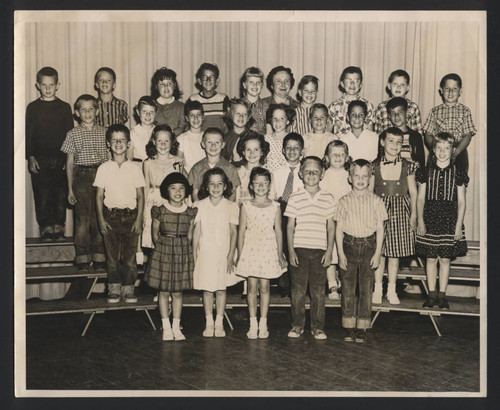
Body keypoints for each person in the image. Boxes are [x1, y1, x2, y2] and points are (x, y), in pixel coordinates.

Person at [334, 159, 388, 343]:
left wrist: (377, 253)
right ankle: (349, 326)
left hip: (369, 247)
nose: (360, 179)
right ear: (349, 178)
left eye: (365, 176)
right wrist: (340, 253)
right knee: (348, 288)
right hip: (348, 246)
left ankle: (363, 326)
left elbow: (381, 229)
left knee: (366, 288)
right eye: (356, 176)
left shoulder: (376, 201)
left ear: (370, 178)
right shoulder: (343, 201)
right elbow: (338, 229)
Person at [416, 132, 468, 310]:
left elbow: (461, 201)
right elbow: (420, 199)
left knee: (445, 259)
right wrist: (420, 221)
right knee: (430, 259)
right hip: (430, 218)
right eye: (439, 148)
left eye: (447, 148)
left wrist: (458, 226)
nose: (443, 152)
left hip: (449, 220)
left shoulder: (458, 173)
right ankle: (431, 295)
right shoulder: (425, 172)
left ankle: (442, 295)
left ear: (453, 150)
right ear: (433, 149)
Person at [285, 156, 335, 340]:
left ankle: (318, 327)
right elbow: (290, 226)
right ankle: (297, 326)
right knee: (297, 291)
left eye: (315, 171)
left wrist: (329, 251)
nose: (311, 174)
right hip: (299, 250)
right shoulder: (295, 196)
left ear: (322, 174)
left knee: (318, 291)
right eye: (307, 171)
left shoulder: (328, 198)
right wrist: (290, 251)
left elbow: (331, 227)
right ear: (300, 173)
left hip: (320, 251)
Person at [94, 124, 145, 303]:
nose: (118, 143)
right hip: (110, 217)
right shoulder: (104, 168)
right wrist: (101, 220)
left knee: (129, 257)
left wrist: (139, 219)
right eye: (114, 140)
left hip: (131, 217)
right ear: (108, 144)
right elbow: (99, 196)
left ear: (129, 143)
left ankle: (129, 288)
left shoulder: (135, 168)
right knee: (112, 256)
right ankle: (114, 287)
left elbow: (140, 196)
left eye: (122, 139)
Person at [144, 173, 197, 341]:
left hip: (182, 252)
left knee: (178, 293)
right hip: (164, 252)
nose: (177, 192)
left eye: (181, 188)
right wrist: (163, 251)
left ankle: (176, 326)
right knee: (164, 291)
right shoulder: (159, 210)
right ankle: (166, 326)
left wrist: (185, 252)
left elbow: (190, 236)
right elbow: (155, 234)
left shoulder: (190, 212)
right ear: (166, 190)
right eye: (173, 188)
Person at [236, 167, 287, 339]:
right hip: (250, 249)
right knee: (251, 288)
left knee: (265, 288)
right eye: (256, 183)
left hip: (268, 248)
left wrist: (280, 254)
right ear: (251, 185)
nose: (260, 186)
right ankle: (252, 323)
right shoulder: (246, 206)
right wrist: (240, 253)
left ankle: (263, 323)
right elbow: (241, 231)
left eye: (264, 183)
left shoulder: (275, 206)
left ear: (269, 185)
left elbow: (279, 231)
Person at [60, 94, 109, 272]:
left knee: (98, 218)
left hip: (101, 175)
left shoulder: (105, 132)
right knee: (82, 219)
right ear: (77, 113)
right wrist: (70, 190)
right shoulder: (72, 134)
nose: (87, 113)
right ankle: (82, 258)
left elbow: (109, 160)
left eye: (91, 109)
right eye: (83, 109)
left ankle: (99, 257)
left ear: (96, 111)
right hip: (80, 176)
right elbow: (69, 163)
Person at [26, 66, 74, 240]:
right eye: (44, 85)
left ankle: (59, 227)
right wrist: (30, 157)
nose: (47, 89)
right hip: (40, 159)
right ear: (38, 85)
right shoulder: (32, 108)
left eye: (51, 85)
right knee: (43, 194)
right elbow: (29, 135)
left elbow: (70, 134)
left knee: (60, 194)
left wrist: (68, 158)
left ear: (58, 85)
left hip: (61, 158)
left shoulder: (64, 107)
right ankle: (46, 227)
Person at [371, 128, 418, 305]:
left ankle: (391, 289)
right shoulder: (373, 165)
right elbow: (369, 194)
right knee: (379, 252)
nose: (395, 145)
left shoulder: (408, 165)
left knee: (394, 254)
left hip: (400, 212)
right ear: (382, 142)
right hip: (379, 211)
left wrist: (413, 215)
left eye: (399, 142)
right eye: (391, 141)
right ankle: (377, 289)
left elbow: (413, 193)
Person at [192, 168, 239, 337]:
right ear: (206, 186)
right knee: (207, 290)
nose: (216, 187)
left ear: (225, 186)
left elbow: (234, 233)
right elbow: (196, 233)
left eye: (220, 184)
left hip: (223, 253)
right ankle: (209, 322)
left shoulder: (231, 206)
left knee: (221, 289)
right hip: (205, 253)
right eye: (212, 184)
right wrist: (194, 256)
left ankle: (219, 323)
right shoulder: (199, 205)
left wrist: (230, 256)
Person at [270, 133, 305, 298]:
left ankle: (300, 285)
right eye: (288, 148)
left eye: (296, 148)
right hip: (282, 210)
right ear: (283, 151)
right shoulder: (276, 172)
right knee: (283, 245)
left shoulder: (305, 172)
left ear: (302, 151)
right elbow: (273, 196)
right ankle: (285, 284)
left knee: (298, 246)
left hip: (300, 211)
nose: (292, 151)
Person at [142, 125, 185, 249]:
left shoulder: (178, 161)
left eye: (166, 141)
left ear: (172, 143)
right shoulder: (148, 162)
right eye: (159, 141)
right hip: (154, 199)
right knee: (154, 235)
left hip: (171, 199)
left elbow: (181, 185)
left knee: (170, 231)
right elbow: (146, 186)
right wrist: (144, 208)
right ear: (154, 142)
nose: (163, 144)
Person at [422, 73, 476, 172]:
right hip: (438, 149)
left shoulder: (465, 111)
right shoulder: (434, 111)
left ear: (460, 91)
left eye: (454, 89)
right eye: (447, 88)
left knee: (459, 181)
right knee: (434, 178)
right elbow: (428, 134)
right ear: (441, 91)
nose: (450, 92)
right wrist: (435, 148)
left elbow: (467, 135)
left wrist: (456, 152)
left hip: (458, 150)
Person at [319, 140, 352, 300]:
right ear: (327, 157)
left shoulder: (350, 176)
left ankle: (345, 283)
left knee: (344, 251)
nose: (338, 157)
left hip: (347, 220)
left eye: (341, 154)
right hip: (329, 220)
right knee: (330, 251)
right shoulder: (323, 175)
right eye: (334, 154)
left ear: (347, 157)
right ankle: (332, 283)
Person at [188, 127, 241, 202]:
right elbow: (194, 194)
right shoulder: (197, 168)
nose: (213, 146)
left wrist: (227, 208)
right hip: (203, 209)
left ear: (223, 145)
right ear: (203, 144)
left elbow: (233, 193)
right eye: (209, 142)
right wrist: (199, 208)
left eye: (217, 142)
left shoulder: (230, 168)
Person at [328, 66, 375, 136]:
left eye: (356, 81)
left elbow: (370, 132)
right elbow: (328, 132)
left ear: (361, 85)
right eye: (348, 80)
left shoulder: (368, 105)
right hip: (340, 145)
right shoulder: (334, 106)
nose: (352, 83)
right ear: (342, 84)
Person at [374, 69, 423, 135]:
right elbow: (377, 133)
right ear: (389, 86)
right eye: (395, 84)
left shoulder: (413, 107)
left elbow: (418, 133)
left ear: (408, 87)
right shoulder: (381, 107)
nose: (398, 87)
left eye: (402, 85)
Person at [187, 63, 230, 133]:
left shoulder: (223, 98)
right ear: (199, 81)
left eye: (212, 77)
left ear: (217, 81)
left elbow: (227, 124)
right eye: (205, 78)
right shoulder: (193, 99)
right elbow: (188, 124)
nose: (208, 80)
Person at [385, 97, 425, 168]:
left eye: (400, 112)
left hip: (411, 175)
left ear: (406, 113)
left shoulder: (416, 136)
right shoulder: (384, 136)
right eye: (393, 113)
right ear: (389, 116)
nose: (396, 116)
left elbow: (421, 162)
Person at [261, 66, 299, 135]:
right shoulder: (262, 105)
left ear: (291, 85)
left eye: (287, 81)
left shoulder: (298, 107)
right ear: (272, 85)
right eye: (278, 81)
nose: (283, 84)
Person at [222, 98, 261, 164]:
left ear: (248, 117)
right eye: (237, 113)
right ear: (231, 115)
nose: (241, 117)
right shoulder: (225, 138)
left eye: (244, 114)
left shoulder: (254, 137)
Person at [235, 133, 270, 205]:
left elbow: (272, 197)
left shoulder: (268, 173)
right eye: (248, 150)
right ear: (243, 152)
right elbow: (236, 200)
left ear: (262, 152)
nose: (252, 153)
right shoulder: (238, 173)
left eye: (256, 149)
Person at [150, 67, 186, 137]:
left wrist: (168, 136)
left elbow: (182, 128)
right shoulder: (152, 107)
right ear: (156, 87)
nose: (166, 87)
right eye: (162, 84)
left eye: (169, 83)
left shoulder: (182, 107)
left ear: (174, 85)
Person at [264, 104, 296, 173]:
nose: (278, 122)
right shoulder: (266, 139)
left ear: (288, 121)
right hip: (270, 175)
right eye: (275, 118)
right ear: (271, 120)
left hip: (286, 174)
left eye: (282, 118)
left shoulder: (292, 139)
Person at [177, 100, 206, 173]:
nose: (195, 118)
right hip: (187, 177)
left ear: (203, 117)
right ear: (187, 118)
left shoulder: (207, 137)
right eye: (192, 115)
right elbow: (179, 163)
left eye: (198, 115)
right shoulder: (181, 139)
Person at [127, 96, 157, 163]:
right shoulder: (132, 133)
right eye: (144, 111)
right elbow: (129, 159)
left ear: (156, 113)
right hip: (138, 167)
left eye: (151, 112)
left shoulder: (158, 132)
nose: (148, 115)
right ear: (138, 112)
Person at [240, 66, 267, 135]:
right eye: (251, 82)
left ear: (262, 86)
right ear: (244, 85)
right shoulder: (238, 105)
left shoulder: (267, 107)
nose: (255, 85)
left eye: (258, 82)